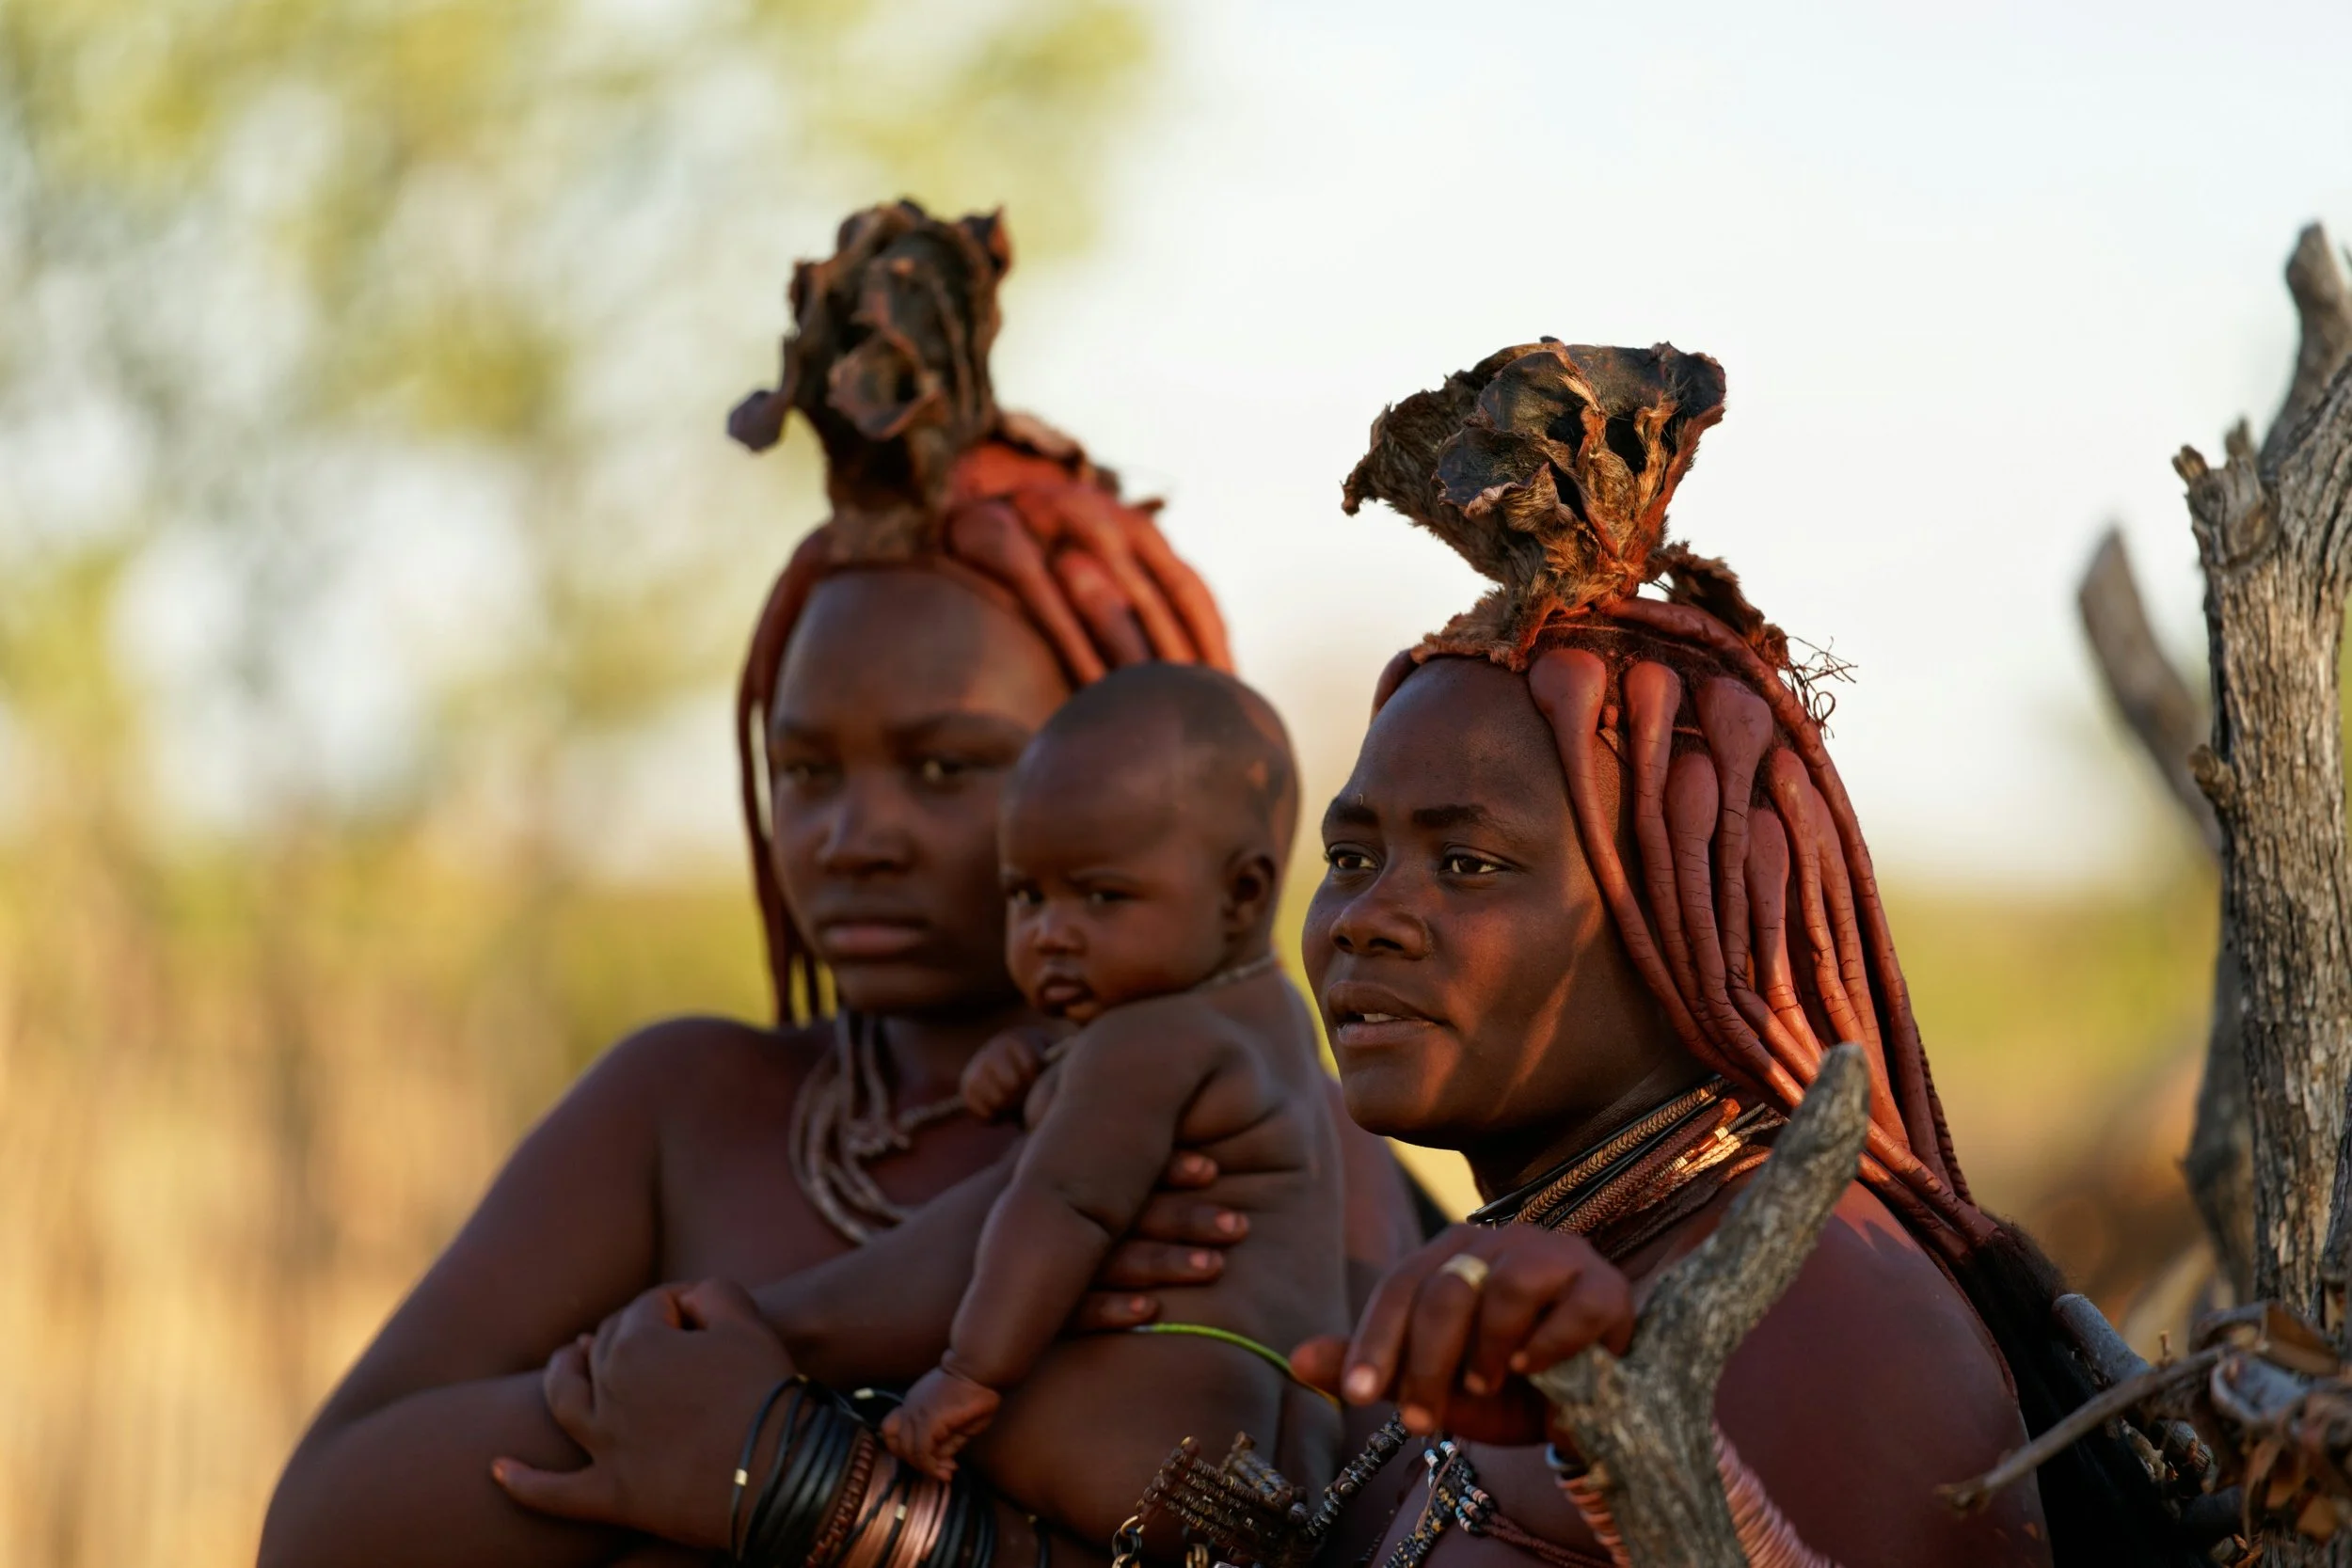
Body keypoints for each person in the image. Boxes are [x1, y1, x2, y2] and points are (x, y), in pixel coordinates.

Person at [257, 200, 1425, 1568]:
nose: (851, 833)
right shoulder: (682, 1106)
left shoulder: (1262, 1125)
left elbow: (1320, 1532)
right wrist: (698, 1405)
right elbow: (327, 1521)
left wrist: (790, 1458)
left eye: (944, 769)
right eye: (805, 770)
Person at [1275, 339, 2203, 1568]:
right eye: (1349, 856)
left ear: (1685, 918)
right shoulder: (1541, 1268)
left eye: (1469, 865)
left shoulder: (1816, 1305)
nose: (1365, 916)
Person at [877, 664, 1350, 1544]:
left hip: (1153, 1439)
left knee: (859, 1423)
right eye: (1026, 896)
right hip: (1285, 1436)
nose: (1051, 931)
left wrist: (967, 1372)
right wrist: (1044, 1057)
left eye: (1101, 895)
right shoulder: (1272, 1012)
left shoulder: (1142, 1043)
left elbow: (1061, 1202)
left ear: (1243, 892)